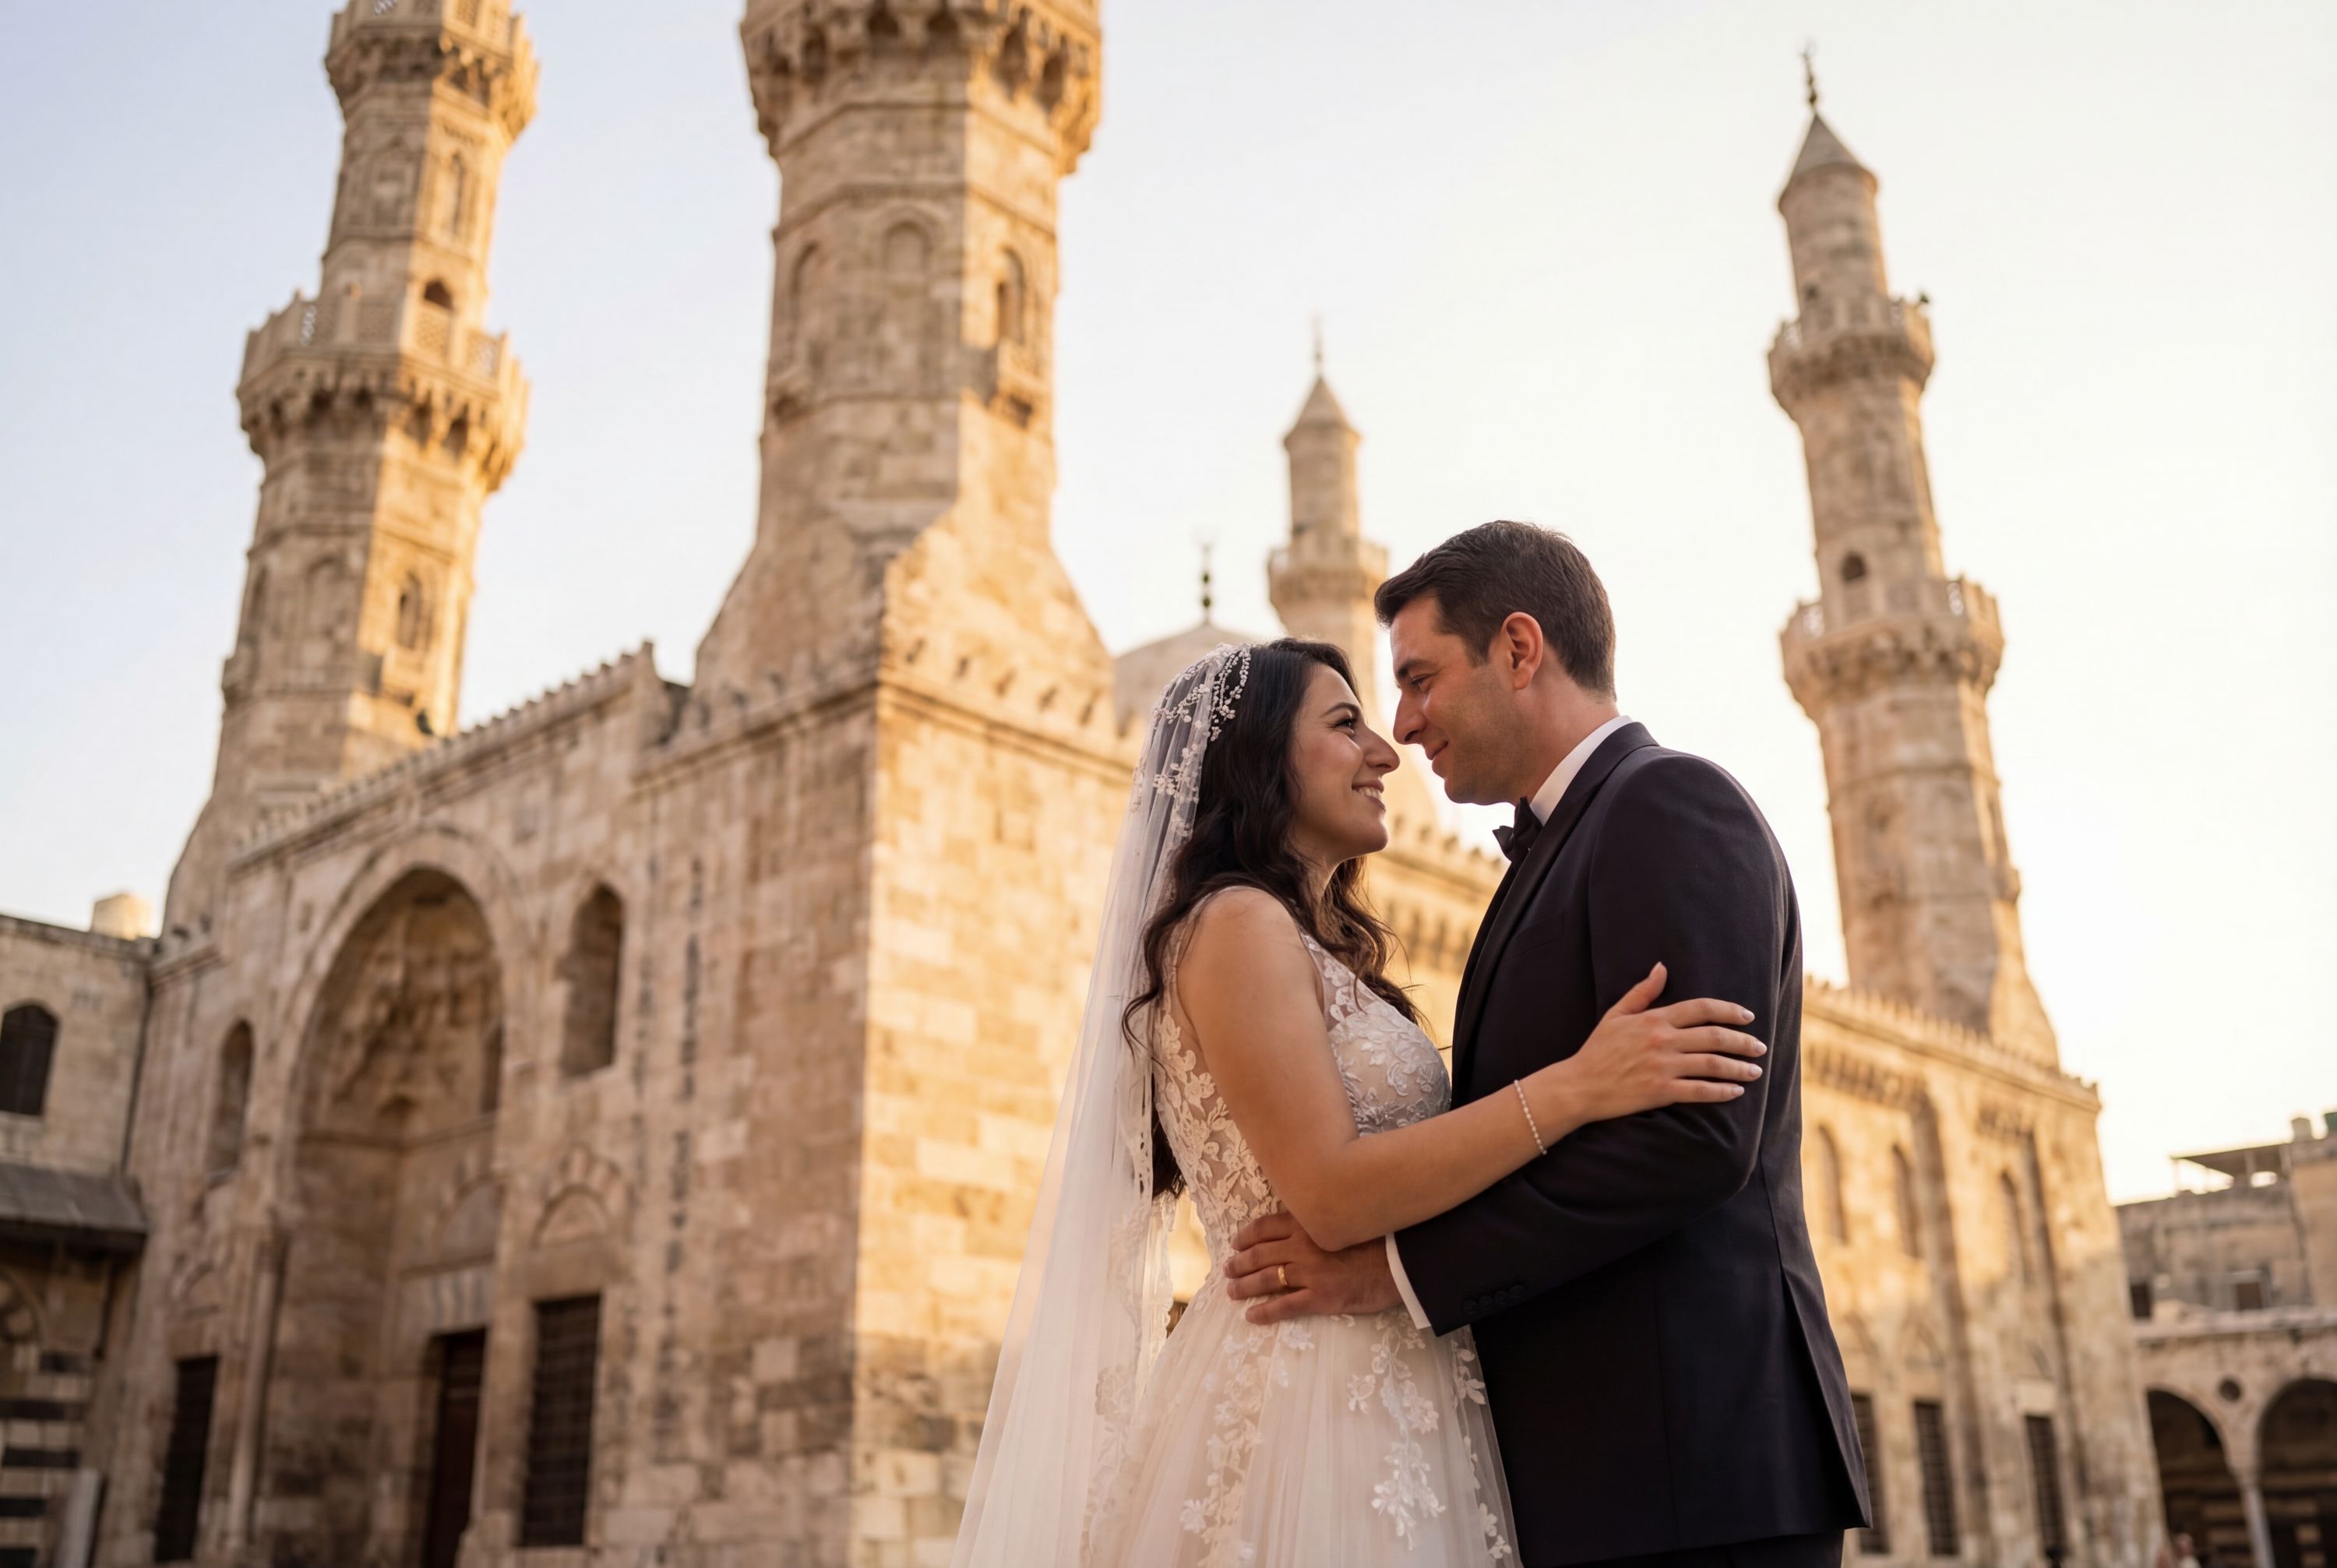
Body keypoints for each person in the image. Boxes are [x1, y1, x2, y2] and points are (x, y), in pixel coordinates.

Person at [953, 635, 1770, 1567]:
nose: (1387, 751)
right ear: (1259, 756)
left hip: (1391, 1380)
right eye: (1348, 726)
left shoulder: (1307, 944)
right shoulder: (1235, 923)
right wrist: (1580, 1084)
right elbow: (1331, 1193)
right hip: (1306, 1391)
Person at [1222, 521, 1871, 1566]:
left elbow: (1690, 1139)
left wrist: (1395, 1272)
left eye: (1423, 678)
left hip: (1689, 1473)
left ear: (1520, 651)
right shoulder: (1556, 849)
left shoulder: (1668, 804)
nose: (1405, 723)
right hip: (1602, 1478)